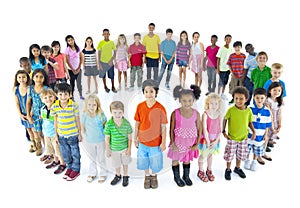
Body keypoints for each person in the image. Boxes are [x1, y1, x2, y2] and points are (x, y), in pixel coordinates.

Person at [134, 79, 168, 189]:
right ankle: (147, 175)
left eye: (151, 91)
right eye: (146, 91)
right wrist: (135, 138)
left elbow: (163, 127)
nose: (149, 94)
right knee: (144, 161)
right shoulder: (140, 106)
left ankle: (154, 176)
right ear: (143, 92)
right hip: (143, 142)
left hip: (155, 143)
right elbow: (137, 124)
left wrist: (163, 142)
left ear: (156, 92)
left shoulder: (161, 108)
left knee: (155, 162)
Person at [167, 85, 201, 187]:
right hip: (178, 143)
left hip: (190, 143)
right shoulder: (175, 113)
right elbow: (171, 129)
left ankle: (186, 176)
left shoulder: (196, 114)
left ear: (193, 100)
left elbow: (200, 129)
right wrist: (173, 143)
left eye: (189, 100)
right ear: (180, 101)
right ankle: (176, 177)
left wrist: (197, 144)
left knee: (186, 160)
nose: (187, 103)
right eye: (184, 101)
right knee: (175, 159)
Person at [222, 86, 255, 180]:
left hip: (243, 138)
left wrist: (254, 132)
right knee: (229, 155)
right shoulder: (231, 110)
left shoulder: (248, 111)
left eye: (241, 99)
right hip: (232, 138)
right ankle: (228, 169)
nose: (238, 101)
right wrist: (223, 131)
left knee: (240, 154)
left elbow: (249, 122)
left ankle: (237, 168)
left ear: (246, 99)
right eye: (236, 98)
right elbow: (225, 119)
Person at [51, 82, 82, 181]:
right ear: (56, 95)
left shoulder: (74, 105)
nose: (63, 97)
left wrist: (79, 133)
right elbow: (55, 121)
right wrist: (56, 135)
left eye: (65, 94)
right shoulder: (55, 106)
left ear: (70, 94)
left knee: (75, 153)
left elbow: (77, 119)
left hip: (73, 134)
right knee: (65, 154)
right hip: (61, 135)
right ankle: (69, 167)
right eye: (60, 94)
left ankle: (76, 169)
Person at [105, 101, 133, 187]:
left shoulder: (126, 124)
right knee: (116, 163)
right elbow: (107, 138)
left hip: (124, 148)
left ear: (123, 112)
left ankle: (125, 175)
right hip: (114, 149)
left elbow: (129, 138)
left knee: (125, 163)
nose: (117, 115)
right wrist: (108, 149)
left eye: (120, 112)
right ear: (111, 112)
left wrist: (129, 149)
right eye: (115, 112)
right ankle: (118, 175)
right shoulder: (109, 124)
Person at [81, 94, 107, 183]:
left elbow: (105, 125)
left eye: (94, 105)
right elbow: (82, 125)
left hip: (100, 140)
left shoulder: (101, 115)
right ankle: (92, 173)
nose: (91, 107)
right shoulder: (84, 115)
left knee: (101, 158)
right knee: (92, 158)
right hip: (90, 141)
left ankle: (103, 173)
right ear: (86, 105)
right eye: (89, 105)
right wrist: (83, 133)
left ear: (97, 105)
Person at [244, 88, 272, 171]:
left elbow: (267, 125)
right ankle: (247, 160)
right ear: (254, 97)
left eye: (262, 98)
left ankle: (254, 161)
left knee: (257, 149)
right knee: (247, 149)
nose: (259, 100)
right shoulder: (250, 108)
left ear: (265, 98)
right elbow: (246, 121)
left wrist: (265, 135)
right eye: (257, 98)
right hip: (249, 134)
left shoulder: (267, 111)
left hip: (260, 134)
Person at [40, 89, 66, 174]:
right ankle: (55, 160)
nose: (48, 99)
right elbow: (44, 119)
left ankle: (62, 163)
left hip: (55, 133)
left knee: (57, 149)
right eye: (45, 97)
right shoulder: (42, 109)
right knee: (51, 149)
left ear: (55, 97)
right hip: (47, 133)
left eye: (50, 96)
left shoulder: (57, 108)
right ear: (42, 100)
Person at [197, 93, 222, 182]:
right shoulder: (205, 114)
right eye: (211, 103)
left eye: (216, 103)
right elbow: (204, 128)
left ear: (219, 104)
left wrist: (216, 141)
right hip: (206, 139)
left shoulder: (219, 114)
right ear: (208, 104)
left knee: (210, 155)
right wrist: (207, 140)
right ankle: (200, 171)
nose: (214, 106)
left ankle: (209, 169)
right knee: (203, 155)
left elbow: (220, 129)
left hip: (214, 139)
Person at [26, 69, 49, 157]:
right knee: (36, 131)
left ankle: (48, 150)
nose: (38, 79)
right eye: (36, 76)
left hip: (44, 115)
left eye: (41, 77)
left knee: (44, 134)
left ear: (44, 78)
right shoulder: (31, 89)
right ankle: (39, 146)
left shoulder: (47, 89)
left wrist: (46, 114)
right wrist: (28, 114)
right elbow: (28, 102)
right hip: (35, 114)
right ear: (33, 77)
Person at [13, 70, 34, 150]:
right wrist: (20, 114)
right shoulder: (15, 89)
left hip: (31, 113)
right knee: (28, 129)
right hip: (23, 113)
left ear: (27, 78)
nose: (22, 79)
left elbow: (33, 102)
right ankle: (33, 144)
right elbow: (17, 103)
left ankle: (38, 144)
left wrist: (30, 113)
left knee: (34, 129)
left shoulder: (30, 88)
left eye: (24, 77)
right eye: (19, 77)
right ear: (17, 78)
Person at [264, 82, 283, 157]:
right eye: (274, 90)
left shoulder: (279, 102)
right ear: (269, 91)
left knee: (273, 131)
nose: (276, 92)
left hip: (275, 120)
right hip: (268, 119)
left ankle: (268, 142)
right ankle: (264, 146)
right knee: (267, 132)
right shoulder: (267, 101)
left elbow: (280, 113)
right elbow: (269, 114)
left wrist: (280, 123)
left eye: (279, 91)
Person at [97, 29, 117, 93]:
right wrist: (99, 63)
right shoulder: (100, 43)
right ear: (103, 34)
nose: (106, 35)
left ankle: (113, 86)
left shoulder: (112, 42)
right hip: (102, 62)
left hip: (110, 63)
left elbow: (115, 53)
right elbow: (99, 53)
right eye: (104, 34)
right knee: (103, 75)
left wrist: (111, 60)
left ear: (109, 34)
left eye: (107, 34)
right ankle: (105, 87)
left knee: (112, 75)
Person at [65, 35, 84, 100]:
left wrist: (79, 68)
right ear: (67, 42)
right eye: (69, 40)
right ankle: (71, 96)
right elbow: (67, 61)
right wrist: (73, 70)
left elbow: (81, 57)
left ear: (74, 40)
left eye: (71, 39)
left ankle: (81, 95)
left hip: (78, 69)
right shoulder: (67, 50)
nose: (71, 41)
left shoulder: (78, 48)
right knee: (72, 84)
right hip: (71, 70)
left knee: (79, 84)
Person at [216, 34, 233, 100]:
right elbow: (218, 58)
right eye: (227, 39)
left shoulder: (231, 49)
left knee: (225, 82)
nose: (228, 40)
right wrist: (218, 69)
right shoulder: (221, 48)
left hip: (228, 69)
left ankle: (222, 93)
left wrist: (231, 69)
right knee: (220, 82)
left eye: (229, 39)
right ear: (225, 40)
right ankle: (218, 94)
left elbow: (231, 60)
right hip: (222, 69)